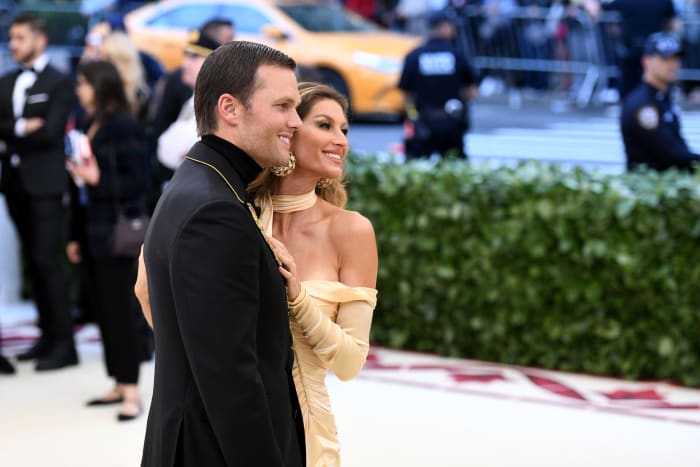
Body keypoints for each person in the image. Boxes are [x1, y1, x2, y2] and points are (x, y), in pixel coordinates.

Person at [135, 82, 379, 466]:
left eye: (343, 130)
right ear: (290, 129)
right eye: (325, 125)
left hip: (307, 432)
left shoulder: (352, 231)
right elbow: (167, 313)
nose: (340, 141)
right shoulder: (229, 212)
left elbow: (350, 363)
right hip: (218, 421)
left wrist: (298, 299)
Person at [139, 41, 305, 466]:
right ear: (230, 109)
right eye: (283, 106)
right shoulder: (215, 209)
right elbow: (230, 380)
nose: (296, 122)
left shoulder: (204, 181)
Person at [66, 60, 151, 421]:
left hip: (118, 234)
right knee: (102, 310)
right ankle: (118, 381)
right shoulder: (90, 122)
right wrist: (73, 234)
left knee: (120, 312)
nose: (78, 89)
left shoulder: (124, 126)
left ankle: (131, 390)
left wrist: (96, 178)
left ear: (100, 85)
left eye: (83, 83)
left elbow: (140, 183)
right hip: (91, 229)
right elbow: (82, 186)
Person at [0, 13, 78, 371]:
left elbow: (50, 133)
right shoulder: (6, 81)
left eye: (20, 38)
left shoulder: (60, 81)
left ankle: (64, 344)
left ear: (39, 40)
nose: (13, 44)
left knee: (48, 261)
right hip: (14, 183)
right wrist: (22, 125)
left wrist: (13, 131)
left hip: (46, 183)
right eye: (11, 38)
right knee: (33, 261)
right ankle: (46, 337)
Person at [398, 9, 477, 159]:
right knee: (454, 171)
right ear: (443, 27)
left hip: (423, 124)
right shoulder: (457, 55)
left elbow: (405, 95)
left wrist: (413, 117)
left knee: (416, 171)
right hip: (452, 123)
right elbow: (472, 92)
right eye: (451, 26)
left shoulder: (415, 56)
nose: (454, 30)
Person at [621, 32, 700, 172]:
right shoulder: (642, 105)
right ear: (647, 62)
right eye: (665, 59)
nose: (673, 64)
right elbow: (671, 153)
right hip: (650, 187)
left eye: (675, 58)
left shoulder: (662, 96)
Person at [585, 0, 679, 99]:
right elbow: (673, 23)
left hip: (647, 54)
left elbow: (600, 9)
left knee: (640, 92)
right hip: (642, 55)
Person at [156, 33, 221, 173]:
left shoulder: (215, 106)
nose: (185, 64)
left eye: (194, 58)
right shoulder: (194, 98)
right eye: (186, 57)